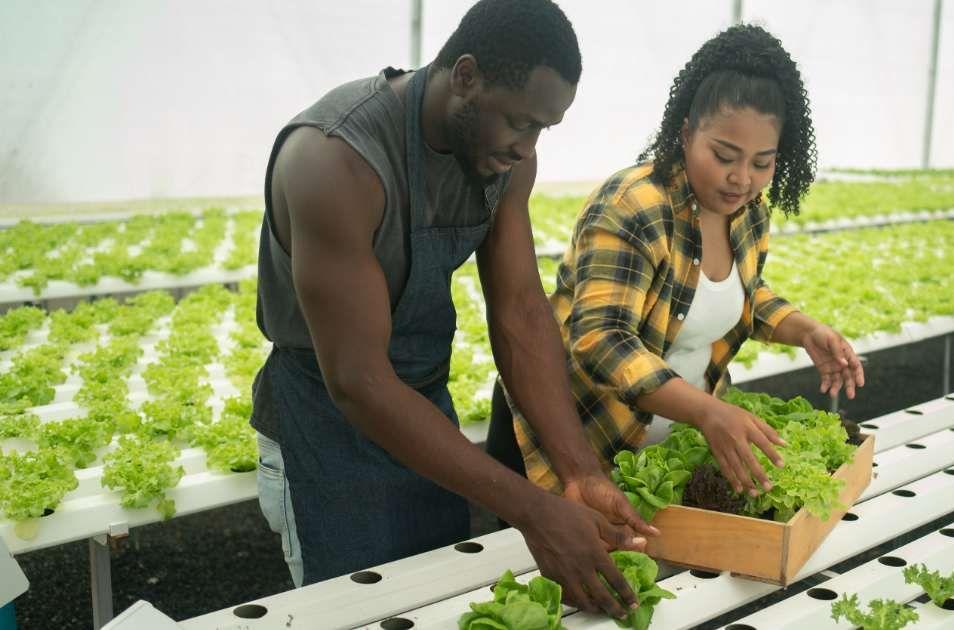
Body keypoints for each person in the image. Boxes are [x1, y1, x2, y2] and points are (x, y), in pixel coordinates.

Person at [250, 0, 654, 617]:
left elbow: (520, 310)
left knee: (438, 608)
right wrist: (531, 510)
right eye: (521, 122)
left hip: (424, 417)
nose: (529, 146)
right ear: (465, 76)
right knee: (354, 615)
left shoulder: (505, 158)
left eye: (545, 128)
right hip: (324, 430)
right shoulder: (336, 159)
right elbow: (357, 383)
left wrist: (579, 473)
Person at [488, 24, 866, 498]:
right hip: (577, 444)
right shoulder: (633, 206)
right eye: (724, 155)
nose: (741, 178)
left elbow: (731, 291)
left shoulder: (748, 213)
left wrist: (804, 329)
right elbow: (602, 341)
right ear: (686, 135)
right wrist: (708, 412)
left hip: (662, 449)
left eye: (762, 162)